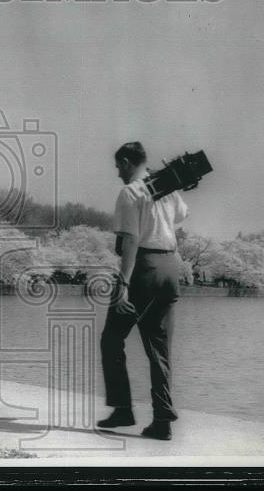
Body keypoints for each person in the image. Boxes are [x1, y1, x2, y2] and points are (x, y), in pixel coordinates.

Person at [97, 142, 188, 441]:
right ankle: (162, 420)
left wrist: (123, 283)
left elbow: (132, 241)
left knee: (111, 339)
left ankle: (123, 409)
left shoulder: (130, 192)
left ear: (125, 162)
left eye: (117, 167)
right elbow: (181, 215)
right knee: (159, 348)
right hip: (172, 267)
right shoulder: (167, 187)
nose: (117, 173)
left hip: (144, 268)